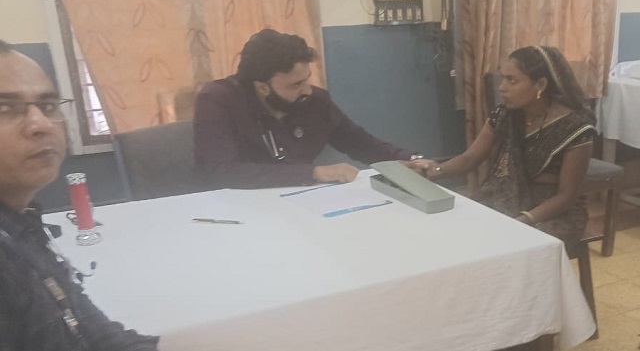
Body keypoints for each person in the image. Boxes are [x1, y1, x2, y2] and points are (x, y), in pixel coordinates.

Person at [0, 40, 159, 351]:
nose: (41, 124)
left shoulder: (22, 226)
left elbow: (98, 336)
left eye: (48, 106)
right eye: (4, 109)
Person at [409, 45, 596, 249]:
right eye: (502, 78)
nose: (501, 88)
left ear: (540, 84)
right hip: (503, 197)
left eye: (512, 80)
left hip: (551, 212)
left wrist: (522, 220)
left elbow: (567, 197)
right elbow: (470, 159)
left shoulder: (575, 127)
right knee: (453, 233)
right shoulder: (506, 115)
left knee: (503, 244)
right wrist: (435, 170)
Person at [194, 28, 420, 189]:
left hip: (302, 201)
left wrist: (407, 159)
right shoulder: (217, 100)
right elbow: (225, 172)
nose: (307, 91)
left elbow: (358, 141)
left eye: (307, 79)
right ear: (262, 87)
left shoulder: (315, 102)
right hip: (238, 208)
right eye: (296, 85)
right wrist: (314, 172)